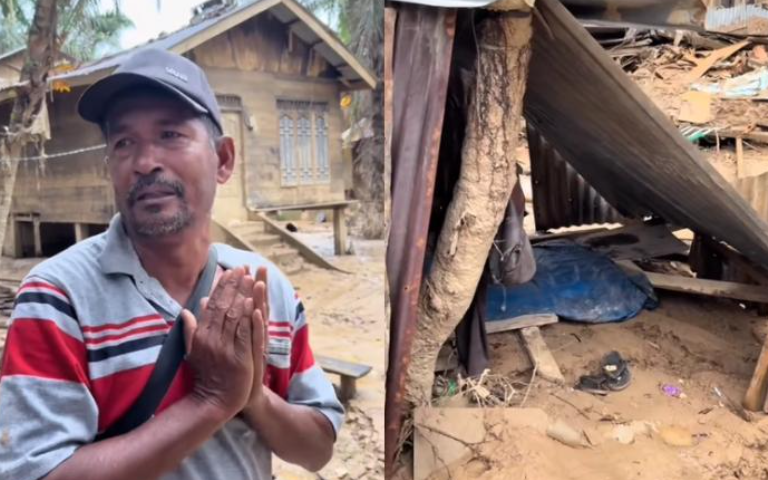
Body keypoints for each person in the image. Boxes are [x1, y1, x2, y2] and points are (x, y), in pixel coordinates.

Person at [0, 48, 342, 480]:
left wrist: (253, 398)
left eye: (170, 135)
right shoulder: (57, 298)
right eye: (124, 143)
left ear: (223, 160)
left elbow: (317, 451)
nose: (145, 163)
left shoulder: (265, 287)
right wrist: (210, 402)